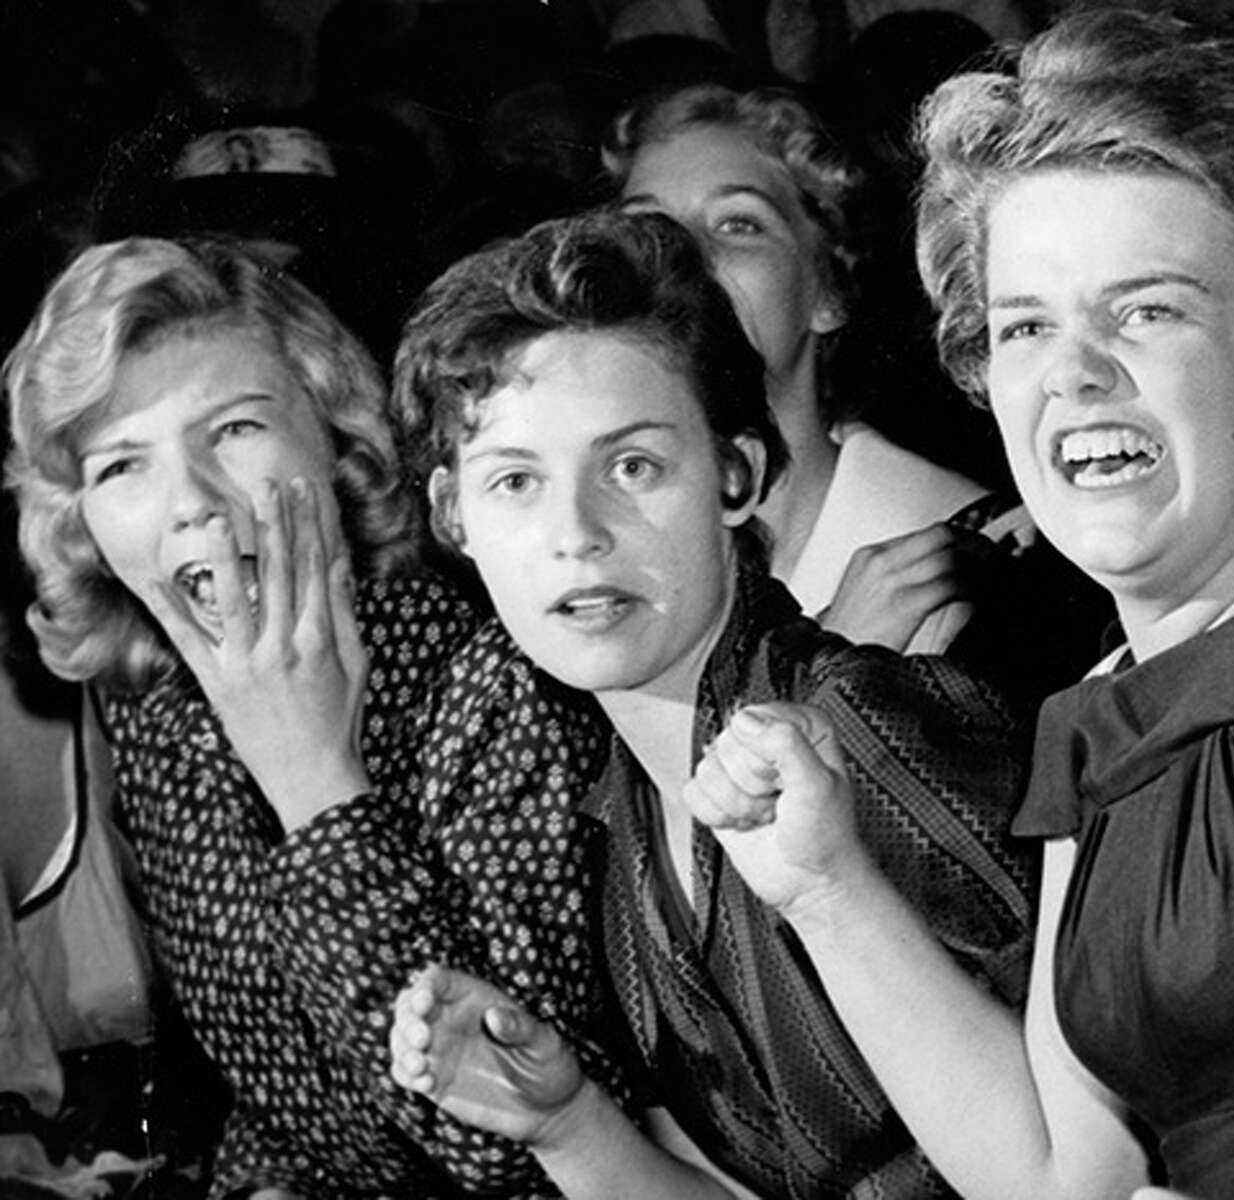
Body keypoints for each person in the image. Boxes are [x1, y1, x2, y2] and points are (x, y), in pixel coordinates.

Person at [679, 11, 1234, 1199]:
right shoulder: (1093, 713)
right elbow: (1054, 1176)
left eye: (1147, 310)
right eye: (1026, 325)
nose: (1074, 371)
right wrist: (826, 885)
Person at [375, 209, 1035, 1198]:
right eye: (515, 481)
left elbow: (1090, 1162)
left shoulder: (865, 724)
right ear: (453, 517)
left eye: (632, 467)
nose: (576, 533)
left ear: (736, 474)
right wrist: (568, 1126)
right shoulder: (624, 826)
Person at [0, 236, 542, 1197]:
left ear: (338, 439)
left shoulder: (495, 687)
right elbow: (288, 1087)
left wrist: (316, 790)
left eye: (235, 431)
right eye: (124, 467)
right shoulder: (161, 709)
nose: (193, 508)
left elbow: (518, 1145)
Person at [605, 81, 1112, 698]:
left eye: (738, 224)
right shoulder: (602, 556)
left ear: (827, 292)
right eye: (648, 228)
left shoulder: (983, 559)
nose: (681, 257)